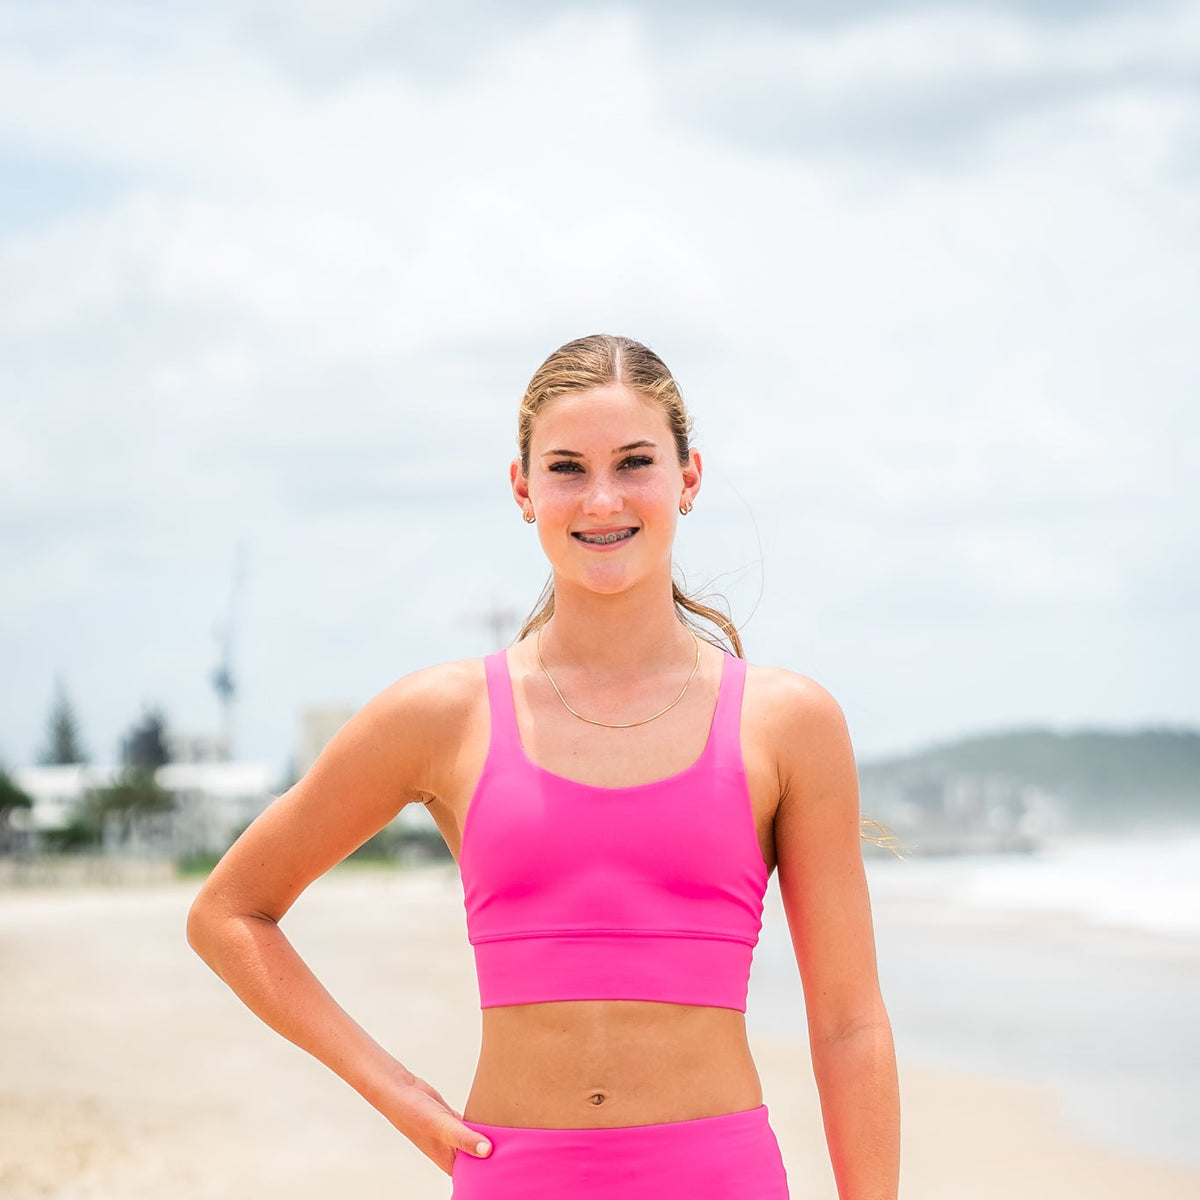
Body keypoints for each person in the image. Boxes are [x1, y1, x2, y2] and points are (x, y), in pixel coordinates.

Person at [186, 333, 900, 1199]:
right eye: (567, 468)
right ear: (523, 488)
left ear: (690, 476)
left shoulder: (788, 723)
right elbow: (231, 913)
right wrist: (401, 1095)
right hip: (514, 1178)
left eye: (636, 462)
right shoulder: (443, 715)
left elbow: (850, 1024)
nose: (602, 499)